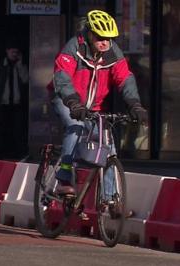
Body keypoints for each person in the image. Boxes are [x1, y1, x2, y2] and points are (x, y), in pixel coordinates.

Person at [51, 10, 148, 195]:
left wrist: (135, 105)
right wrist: (73, 103)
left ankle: (110, 199)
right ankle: (63, 176)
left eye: (108, 38)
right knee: (76, 127)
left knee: (108, 147)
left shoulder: (112, 52)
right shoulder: (74, 48)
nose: (105, 42)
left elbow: (125, 78)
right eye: (99, 37)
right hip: (67, 100)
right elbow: (62, 77)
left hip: (94, 106)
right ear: (89, 33)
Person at [0, 42, 29, 160]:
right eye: (12, 52)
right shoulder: (0, 65)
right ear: (7, 51)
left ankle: (17, 153)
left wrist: (20, 64)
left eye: (16, 52)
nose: (14, 55)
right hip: (2, 103)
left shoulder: (20, 66)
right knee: (0, 130)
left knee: (17, 130)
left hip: (16, 104)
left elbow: (26, 79)